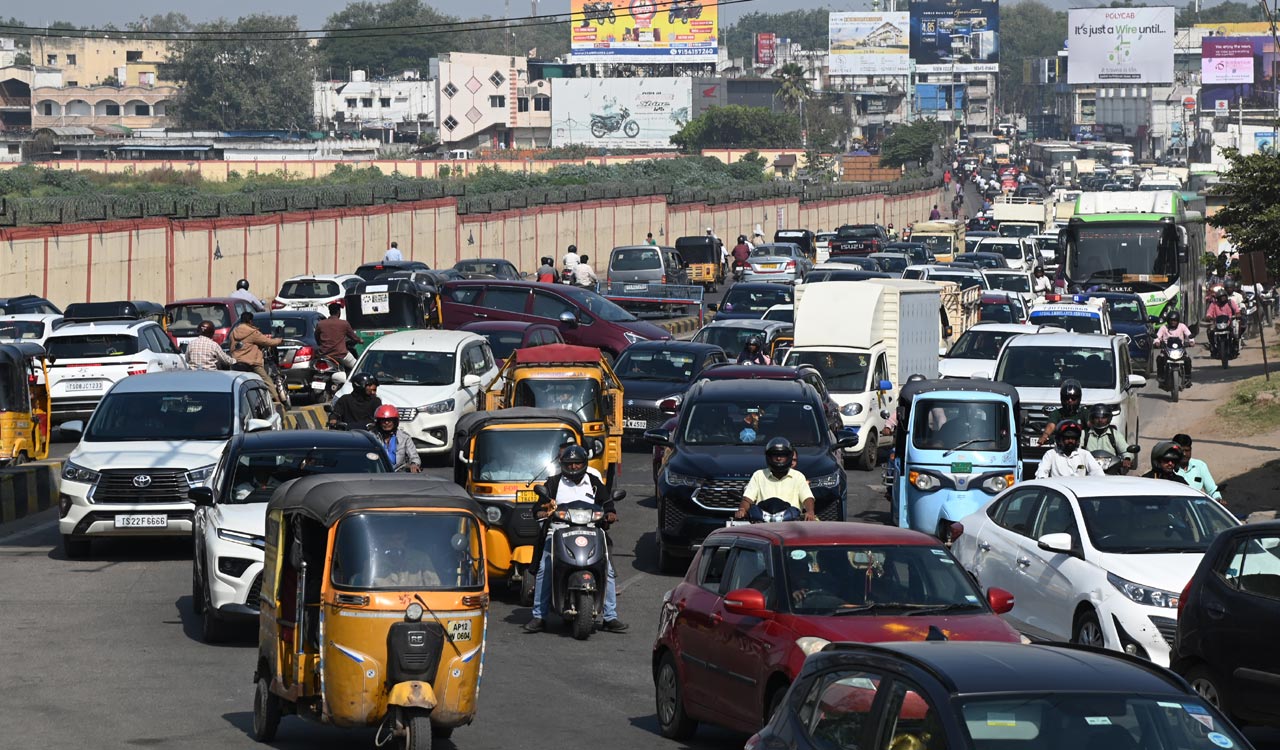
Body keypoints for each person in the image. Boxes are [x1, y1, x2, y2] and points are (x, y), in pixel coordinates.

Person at [524, 445, 627, 634]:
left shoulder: (594, 482)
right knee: (545, 568)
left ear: (584, 464)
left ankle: (610, 616)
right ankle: (539, 616)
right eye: (569, 464)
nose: (573, 467)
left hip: (591, 530)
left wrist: (610, 514)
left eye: (577, 463)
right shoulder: (554, 483)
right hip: (559, 531)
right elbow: (538, 507)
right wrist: (541, 511)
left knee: (608, 570)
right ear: (563, 464)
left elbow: (608, 504)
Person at [735, 438, 817, 522]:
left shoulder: (798, 476)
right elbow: (747, 499)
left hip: (791, 524)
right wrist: (742, 509)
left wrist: (810, 511)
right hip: (762, 523)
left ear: (789, 457)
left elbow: (807, 498)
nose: (778, 458)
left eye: (782, 455)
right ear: (769, 456)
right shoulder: (759, 475)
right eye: (775, 455)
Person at [229, 312, 283, 403]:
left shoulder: (234, 332)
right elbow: (267, 342)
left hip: (236, 362)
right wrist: (280, 340)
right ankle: (277, 400)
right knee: (266, 380)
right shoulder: (252, 332)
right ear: (250, 321)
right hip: (252, 363)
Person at [372, 524, 441, 588]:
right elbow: (366, 593)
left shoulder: (421, 559)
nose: (394, 543)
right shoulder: (373, 562)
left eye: (398, 539)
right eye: (390, 540)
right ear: (383, 540)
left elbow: (435, 587)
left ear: (405, 538)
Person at [1036, 420, 1105, 478]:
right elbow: (1041, 475)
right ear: (1059, 439)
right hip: (1058, 490)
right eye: (1067, 438)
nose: (1070, 441)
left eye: (1073, 438)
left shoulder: (1084, 454)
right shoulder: (1051, 454)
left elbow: (1098, 474)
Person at [1081, 403, 1133, 472]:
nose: (1100, 420)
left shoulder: (1115, 435)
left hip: (1111, 470)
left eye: (1103, 417)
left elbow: (1125, 450)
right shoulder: (1084, 434)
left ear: (1109, 418)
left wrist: (1127, 459)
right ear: (1092, 419)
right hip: (1088, 470)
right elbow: (1076, 450)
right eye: (1097, 417)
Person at [1172, 433, 1222, 501]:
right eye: (1181, 451)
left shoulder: (1200, 466)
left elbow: (1212, 490)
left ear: (1191, 450)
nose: (1184, 454)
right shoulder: (1169, 468)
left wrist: (1217, 499)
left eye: (1187, 450)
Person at [315, 302, 363, 372]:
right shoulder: (344, 323)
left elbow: (317, 338)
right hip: (341, 355)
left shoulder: (320, 324)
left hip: (324, 355)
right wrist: (360, 340)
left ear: (329, 312)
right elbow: (353, 337)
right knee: (358, 368)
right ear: (338, 312)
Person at [373, 404, 421, 472]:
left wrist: (414, 464)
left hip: (399, 474)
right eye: (383, 420)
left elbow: (414, 457)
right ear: (378, 422)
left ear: (395, 422)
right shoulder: (371, 437)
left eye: (390, 420)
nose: (386, 423)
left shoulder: (404, 437)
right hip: (377, 474)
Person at [1039, 379, 1087, 445]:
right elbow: (1051, 425)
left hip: (1080, 446)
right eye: (1066, 398)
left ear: (1079, 399)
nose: (1070, 401)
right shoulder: (1057, 413)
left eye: (1073, 398)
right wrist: (1045, 436)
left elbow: (1091, 424)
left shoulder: (1084, 412)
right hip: (1062, 446)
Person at [1154, 310, 1194, 386]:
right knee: (1160, 358)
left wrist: (1191, 341)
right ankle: (1161, 376)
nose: (1173, 322)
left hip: (1180, 349)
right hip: (1166, 349)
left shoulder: (1182, 326)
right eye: (1171, 320)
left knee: (1187, 360)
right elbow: (1158, 336)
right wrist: (1157, 342)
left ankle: (1187, 378)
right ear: (1168, 321)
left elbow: (1189, 334)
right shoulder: (1163, 327)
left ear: (1178, 321)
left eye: (1175, 320)